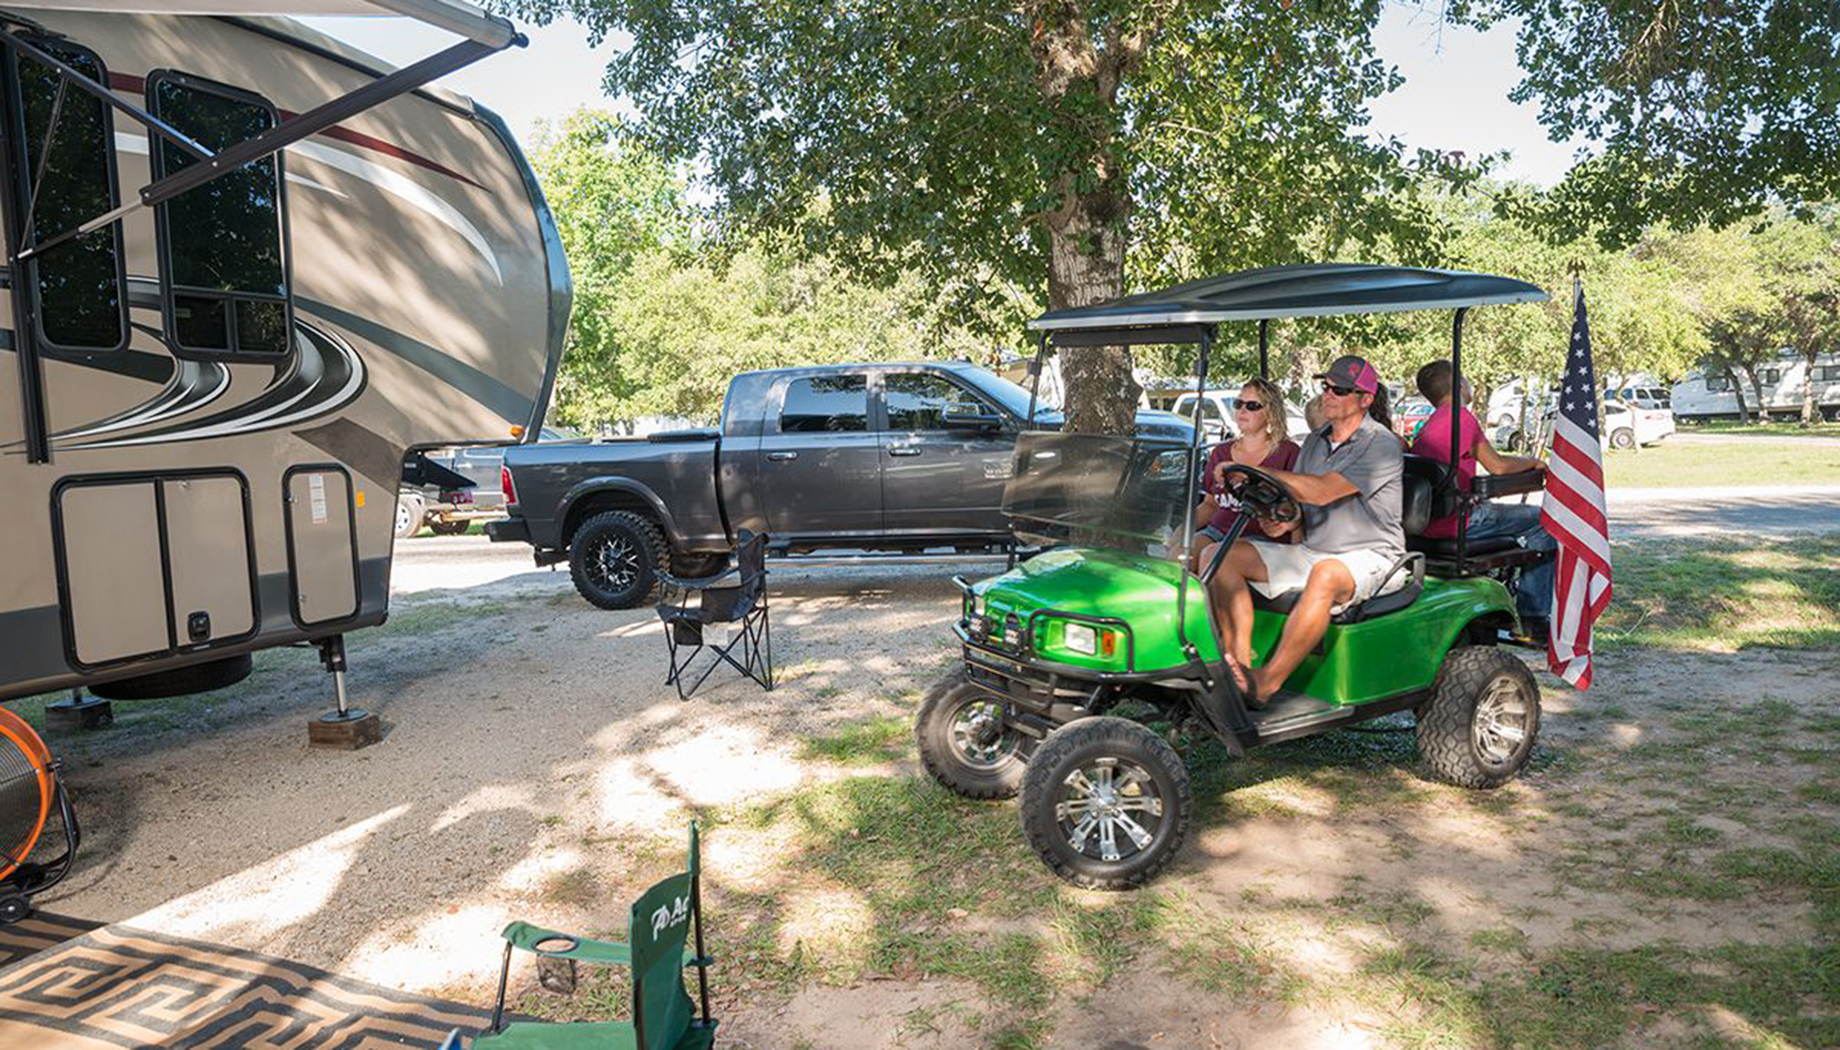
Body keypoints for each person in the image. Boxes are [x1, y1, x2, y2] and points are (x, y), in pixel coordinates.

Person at [1201, 355, 1407, 707]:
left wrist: (1255, 470)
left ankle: (1267, 683)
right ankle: (1239, 670)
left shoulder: (1380, 444)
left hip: (1373, 556)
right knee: (1216, 556)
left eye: (1340, 390)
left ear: (1365, 399)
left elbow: (1323, 491)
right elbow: (1296, 499)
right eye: (1326, 386)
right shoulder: (1315, 441)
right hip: (1314, 550)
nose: (1328, 394)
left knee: (1325, 573)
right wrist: (1286, 520)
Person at [1407, 360, 1555, 626]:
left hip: (1427, 525)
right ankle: (1533, 615)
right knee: (1546, 521)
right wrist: (1533, 462)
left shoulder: (1429, 425)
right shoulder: (1461, 418)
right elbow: (1497, 466)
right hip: (1460, 521)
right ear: (1459, 385)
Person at [1191, 378, 1301, 568]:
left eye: (1252, 406)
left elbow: (1299, 506)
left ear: (1271, 412)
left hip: (1263, 538)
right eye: (1238, 404)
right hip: (1218, 531)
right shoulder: (1220, 452)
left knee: (1218, 558)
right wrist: (1182, 530)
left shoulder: (1288, 453)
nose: (1242, 410)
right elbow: (1210, 504)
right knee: (1180, 557)